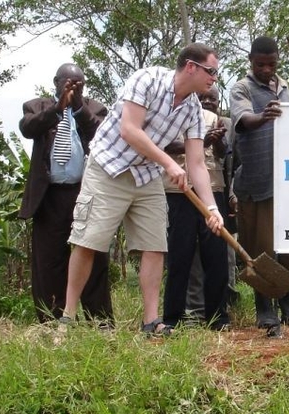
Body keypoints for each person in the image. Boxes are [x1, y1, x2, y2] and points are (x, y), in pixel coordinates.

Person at [61, 43, 224, 335]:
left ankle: (151, 322)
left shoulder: (194, 111)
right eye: (211, 71)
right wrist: (169, 164)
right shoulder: (147, 79)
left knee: (154, 245)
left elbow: (197, 164)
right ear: (190, 66)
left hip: (146, 175)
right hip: (109, 166)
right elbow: (130, 130)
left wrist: (211, 208)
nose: (214, 78)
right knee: (88, 242)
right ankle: (67, 318)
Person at [230, 36, 289, 337]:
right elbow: (242, 120)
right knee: (262, 250)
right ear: (251, 61)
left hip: (287, 182)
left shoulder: (283, 86)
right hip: (257, 184)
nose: (266, 69)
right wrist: (262, 116)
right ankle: (266, 313)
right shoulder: (241, 87)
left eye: (272, 64)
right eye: (260, 64)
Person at [18, 63, 113, 325]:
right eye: (68, 82)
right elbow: (28, 128)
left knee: (92, 255)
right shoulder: (38, 106)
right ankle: (52, 320)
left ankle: (100, 321)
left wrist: (78, 107)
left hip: (86, 192)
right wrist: (58, 108)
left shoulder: (94, 108)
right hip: (49, 197)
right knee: (49, 261)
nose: (73, 87)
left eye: (79, 83)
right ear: (56, 82)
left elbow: (102, 134)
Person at [163, 85, 230, 330]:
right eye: (200, 97)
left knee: (216, 255)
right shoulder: (171, 117)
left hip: (213, 191)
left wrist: (217, 140)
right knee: (179, 255)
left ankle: (218, 317)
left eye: (209, 98)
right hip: (179, 191)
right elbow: (166, 147)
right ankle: (172, 317)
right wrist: (198, 144)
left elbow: (223, 153)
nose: (204, 101)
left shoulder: (215, 120)